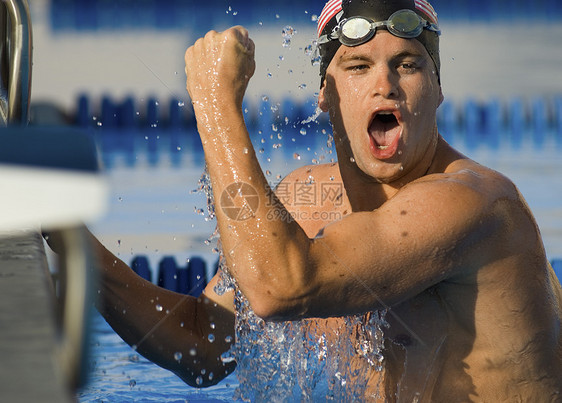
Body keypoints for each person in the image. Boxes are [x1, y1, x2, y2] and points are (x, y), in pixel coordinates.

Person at [47, 0, 562, 400]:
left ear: (437, 88)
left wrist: (213, 102)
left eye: (408, 65)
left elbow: (279, 286)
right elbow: (201, 345)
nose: (385, 85)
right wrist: (64, 235)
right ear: (325, 94)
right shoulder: (305, 203)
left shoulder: (472, 204)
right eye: (358, 67)